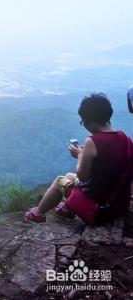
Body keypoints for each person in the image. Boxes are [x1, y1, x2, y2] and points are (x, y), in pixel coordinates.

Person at [24, 93, 133, 224]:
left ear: (89, 121)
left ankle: (37, 214)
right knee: (70, 176)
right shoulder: (126, 139)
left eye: (83, 121)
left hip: (97, 212)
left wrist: (80, 155)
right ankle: (67, 208)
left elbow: (82, 176)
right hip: (118, 206)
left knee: (60, 180)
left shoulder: (92, 141)